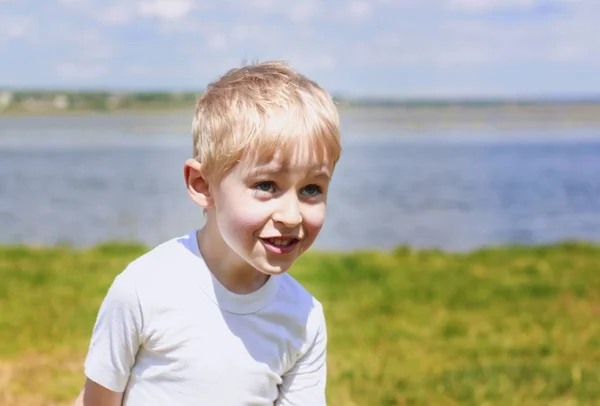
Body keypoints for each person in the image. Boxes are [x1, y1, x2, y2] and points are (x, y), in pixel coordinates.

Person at [74, 60, 342, 405]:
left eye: (311, 189)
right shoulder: (143, 288)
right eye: (266, 185)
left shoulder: (304, 318)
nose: (291, 216)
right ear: (203, 185)